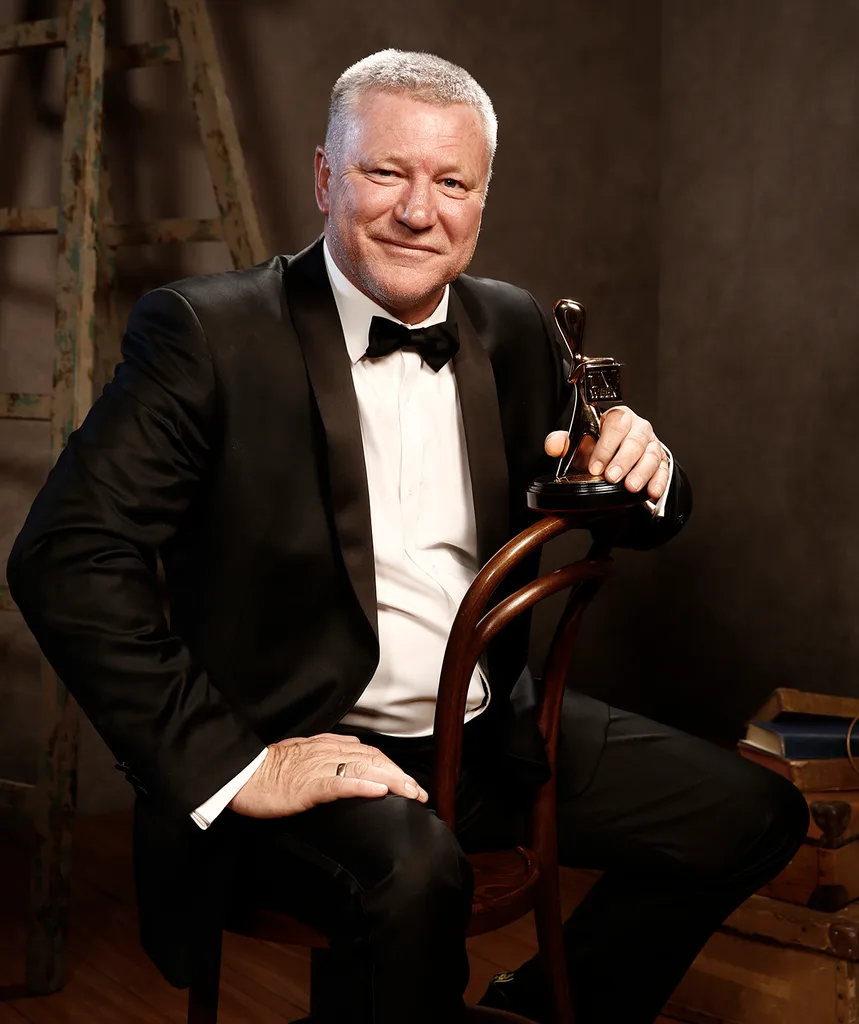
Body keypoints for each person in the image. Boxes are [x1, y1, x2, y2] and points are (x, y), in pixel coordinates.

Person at [7, 49, 807, 1024]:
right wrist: (238, 762)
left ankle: (530, 1012)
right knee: (416, 876)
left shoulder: (513, 324)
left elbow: (634, 512)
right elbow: (65, 558)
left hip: (489, 737)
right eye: (385, 172)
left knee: (756, 813)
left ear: (481, 198)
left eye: (451, 182)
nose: (417, 211)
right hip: (302, 750)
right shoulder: (205, 336)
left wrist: (647, 465)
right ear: (324, 176)